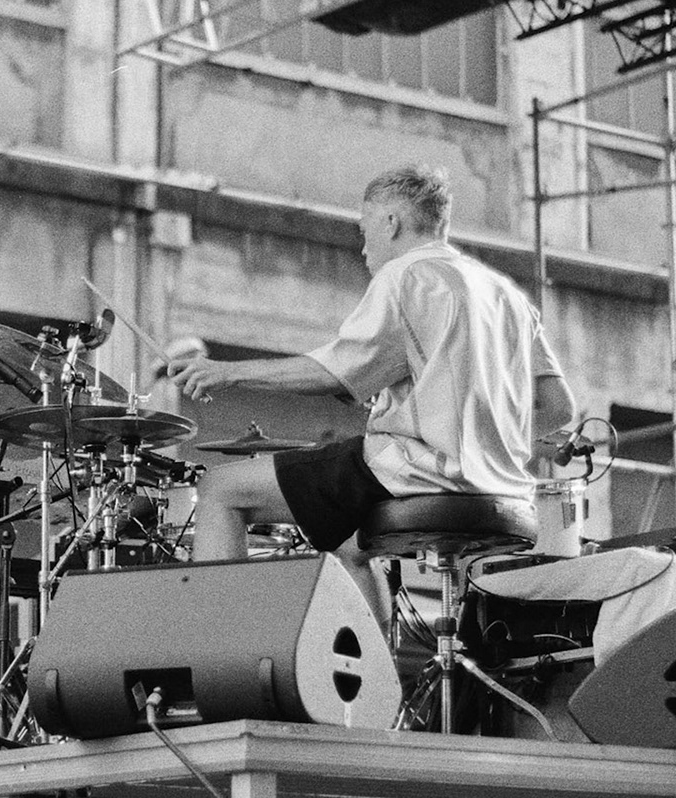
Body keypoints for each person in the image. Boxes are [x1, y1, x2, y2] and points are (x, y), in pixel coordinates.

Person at [167, 164, 577, 587]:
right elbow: (559, 408)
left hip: (420, 470)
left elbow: (331, 373)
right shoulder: (507, 295)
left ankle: (224, 627)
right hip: (506, 491)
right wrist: (483, 442)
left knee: (219, 489)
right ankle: (379, 636)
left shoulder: (405, 275)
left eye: (364, 232)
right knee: (348, 546)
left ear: (391, 222)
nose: (363, 249)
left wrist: (226, 373)